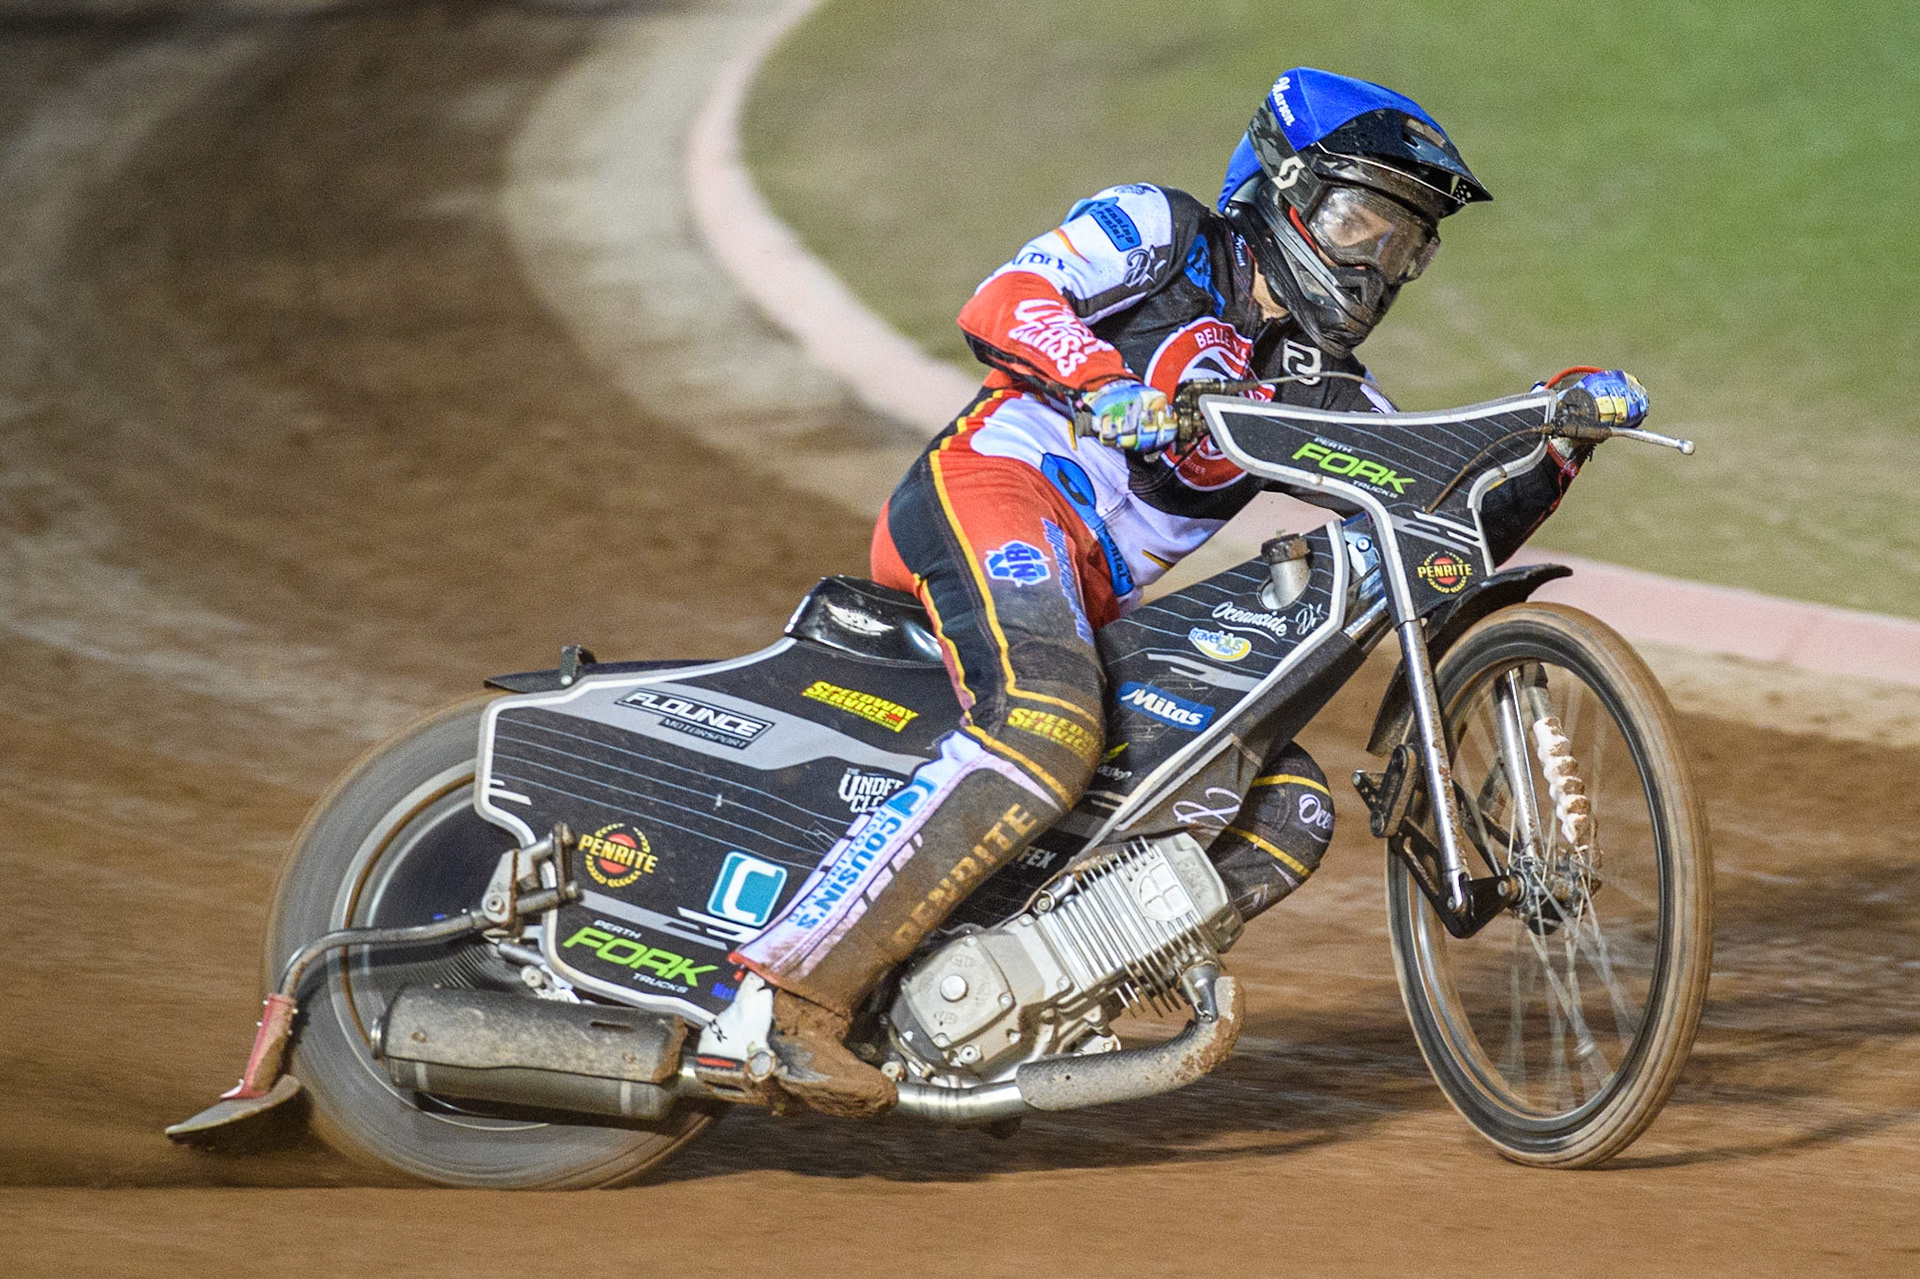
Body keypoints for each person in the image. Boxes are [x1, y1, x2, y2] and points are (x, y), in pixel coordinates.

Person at [733, 67, 1649, 1116]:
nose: (1377, 265)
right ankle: (792, 997)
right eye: (1362, 223)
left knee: (1286, 807)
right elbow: (1005, 299)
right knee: (1046, 720)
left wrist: (1556, 441)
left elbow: (1434, 530)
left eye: (1406, 245)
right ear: (1286, 190)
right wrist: (1103, 382)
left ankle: (1007, 1000)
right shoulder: (1164, 231)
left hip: (1090, 604)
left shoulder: (1323, 386)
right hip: (990, 492)